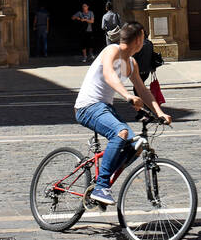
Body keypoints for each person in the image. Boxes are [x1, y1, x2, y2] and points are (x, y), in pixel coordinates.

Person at [73, 21, 171, 206]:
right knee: (121, 133)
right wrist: (126, 95)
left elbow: (143, 91)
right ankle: (102, 186)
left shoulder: (131, 63)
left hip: (104, 108)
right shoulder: (112, 50)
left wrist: (159, 112)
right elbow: (109, 74)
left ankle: (102, 183)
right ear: (139, 38)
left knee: (136, 145)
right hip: (88, 106)